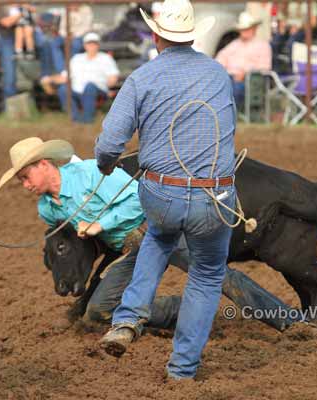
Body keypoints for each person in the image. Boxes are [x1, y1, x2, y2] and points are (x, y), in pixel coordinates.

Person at [0, 137, 305, 334]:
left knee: (217, 275)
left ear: (44, 164)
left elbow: (137, 196)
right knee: (98, 312)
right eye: (21, 180)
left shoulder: (91, 172)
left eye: (26, 176)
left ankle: (289, 322)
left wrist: (100, 225)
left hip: (157, 231)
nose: (25, 184)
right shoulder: (47, 210)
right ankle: (179, 310)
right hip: (128, 250)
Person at [92, 0, 245, 380]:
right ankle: (181, 369)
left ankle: (127, 320)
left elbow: (110, 143)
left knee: (157, 238)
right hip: (216, 196)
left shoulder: (141, 78)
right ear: (191, 34)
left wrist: (105, 164)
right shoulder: (217, 74)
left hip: (163, 193)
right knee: (207, 274)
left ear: (156, 35)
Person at [41, 32, 119, 123]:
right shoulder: (77, 59)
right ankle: (75, 118)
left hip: (97, 89)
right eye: (89, 43)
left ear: (98, 45)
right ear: (85, 45)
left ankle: (87, 119)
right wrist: (49, 79)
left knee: (89, 86)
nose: (92, 46)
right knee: (63, 89)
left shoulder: (106, 58)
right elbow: (64, 77)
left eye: (94, 43)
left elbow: (113, 77)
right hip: (77, 89)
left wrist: (109, 86)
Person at [215, 11, 272, 110]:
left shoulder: (262, 45)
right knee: (217, 87)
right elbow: (221, 57)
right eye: (242, 29)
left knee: (234, 89)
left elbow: (264, 67)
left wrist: (246, 73)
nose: (244, 32)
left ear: (254, 29)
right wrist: (219, 70)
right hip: (228, 76)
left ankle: (230, 115)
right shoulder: (235, 44)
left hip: (250, 80)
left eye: (246, 29)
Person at [271, 1, 317, 74]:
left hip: (304, 29)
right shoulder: (286, 2)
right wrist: (283, 28)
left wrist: (300, 27)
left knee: (291, 44)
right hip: (288, 29)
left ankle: (292, 71)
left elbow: (314, 22)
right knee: (274, 44)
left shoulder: (311, 2)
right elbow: (281, 20)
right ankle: (276, 72)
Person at [0, 4, 20, 98]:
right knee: (9, 74)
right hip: (7, 39)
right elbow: (6, 23)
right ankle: (11, 105)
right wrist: (22, 13)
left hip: (25, 38)